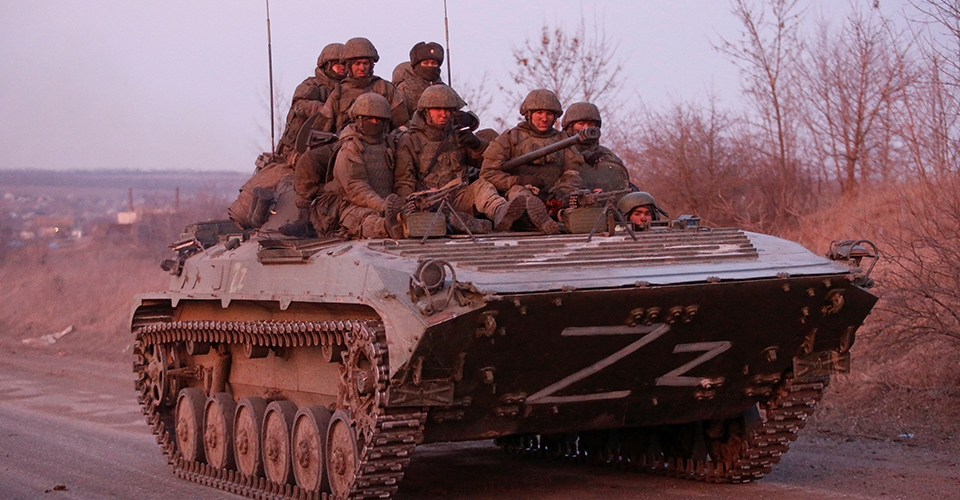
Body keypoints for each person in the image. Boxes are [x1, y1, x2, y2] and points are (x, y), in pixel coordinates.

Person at [394, 85, 526, 233]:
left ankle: (500, 212)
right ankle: (455, 221)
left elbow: (486, 164)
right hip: (430, 201)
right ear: (426, 111)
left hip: (459, 196)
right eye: (438, 109)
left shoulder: (457, 135)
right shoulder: (410, 140)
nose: (444, 114)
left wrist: (477, 145)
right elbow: (404, 181)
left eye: (448, 110)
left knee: (481, 185)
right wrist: (409, 207)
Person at [480, 89, 584, 234]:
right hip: (519, 193)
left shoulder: (564, 140)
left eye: (549, 114)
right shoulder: (509, 138)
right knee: (520, 196)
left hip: (555, 197)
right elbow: (487, 174)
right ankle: (537, 219)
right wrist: (518, 180)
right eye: (539, 113)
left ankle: (556, 217)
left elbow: (573, 173)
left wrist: (561, 191)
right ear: (528, 115)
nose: (544, 118)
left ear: (555, 117)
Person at [331, 93, 408, 239]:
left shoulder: (390, 143)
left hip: (390, 206)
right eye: (370, 119)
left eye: (379, 119)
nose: (374, 122)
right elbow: (356, 187)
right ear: (359, 120)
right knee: (370, 221)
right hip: (354, 207)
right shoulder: (350, 147)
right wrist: (382, 206)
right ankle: (390, 228)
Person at [317, 37, 408, 134]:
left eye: (366, 63)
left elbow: (402, 122)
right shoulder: (339, 92)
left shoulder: (384, 88)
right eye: (357, 63)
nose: (362, 68)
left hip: (381, 144)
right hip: (346, 144)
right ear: (349, 65)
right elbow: (322, 126)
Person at [275, 43, 346, 162]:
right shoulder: (312, 85)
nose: (342, 67)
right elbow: (299, 106)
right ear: (327, 65)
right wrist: (324, 109)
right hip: (297, 145)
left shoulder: (347, 89)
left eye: (345, 64)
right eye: (338, 63)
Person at [561, 102, 631, 193]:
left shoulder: (607, 155)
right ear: (570, 127)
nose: (587, 128)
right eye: (581, 124)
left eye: (591, 124)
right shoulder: (557, 153)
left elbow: (621, 183)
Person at [393, 42, 445, 120]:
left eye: (433, 63)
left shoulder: (444, 89)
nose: (430, 66)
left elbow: (462, 108)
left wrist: (467, 117)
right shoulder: (404, 89)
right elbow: (399, 119)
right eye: (426, 63)